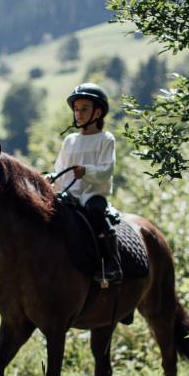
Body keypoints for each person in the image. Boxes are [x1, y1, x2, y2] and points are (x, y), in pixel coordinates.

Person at [51, 82, 123, 285]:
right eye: (76, 109)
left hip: (93, 194)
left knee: (95, 211)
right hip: (69, 195)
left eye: (84, 109)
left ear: (98, 112)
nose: (79, 114)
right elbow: (59, 169)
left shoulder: (105, 139)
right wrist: (51, 180)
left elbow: (106, 171)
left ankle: (111, 264)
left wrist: (86, 172)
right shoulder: (70, 141)